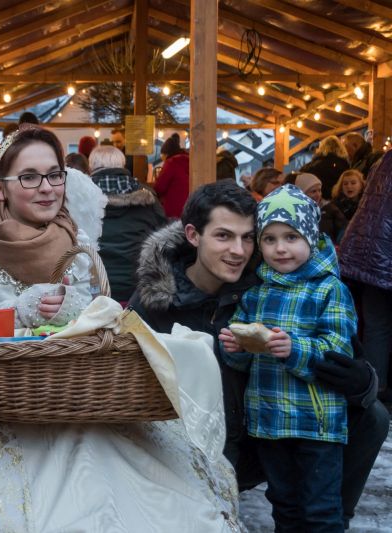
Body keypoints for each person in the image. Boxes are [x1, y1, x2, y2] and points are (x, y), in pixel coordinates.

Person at [0, 125, 241, 532]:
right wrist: (15, 313)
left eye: (55, 174)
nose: (47, 188)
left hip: (71, 394)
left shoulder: (76, 239)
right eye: (30, 177)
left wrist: (83, 314)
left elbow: (91, 322)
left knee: (167, 499)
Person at [129, 180, 389, 529]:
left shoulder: (269, 285)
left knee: (373, 418)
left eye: (248, 237)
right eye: (224, 236)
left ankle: (330, 518)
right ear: (193, 235)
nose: (239, 250)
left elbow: (347, 354)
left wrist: (362, 382)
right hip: (192, 446)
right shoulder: (155, 304)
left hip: (264, 435)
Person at [218, 184, 356, 531]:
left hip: (317, 425)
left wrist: (295, 349)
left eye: (291, 237)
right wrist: (234, 348)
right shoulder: (256, 293)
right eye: (270, 239)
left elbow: (339, 350)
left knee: (320, 511)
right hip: (270, 423)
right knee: (284, 508)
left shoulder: (330, 289)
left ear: (310, 236)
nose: (280, 248)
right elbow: (243, 362)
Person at [339, 151, 392, 406]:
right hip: (383, 252)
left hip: (371, 255)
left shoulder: (383, 161)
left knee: (377, 326)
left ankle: (373, 390)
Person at [88, 145, 166, 303]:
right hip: (136, 289)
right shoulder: (147, 197)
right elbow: (164, 237)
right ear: (122, 165)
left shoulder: (78, 197)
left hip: (91, 289)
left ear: (91, 167)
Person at [294, 172, 348, 244]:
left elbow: (343, 229)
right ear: (303, 194)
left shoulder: (329, 209)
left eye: (319, 190)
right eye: (313, 191)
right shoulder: (295, 212)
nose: (318, 194)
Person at [300, 135, 350, 200]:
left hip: (313, 199)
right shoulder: (344, 164)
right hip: (335, 200)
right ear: (341, 147)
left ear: (322, 147)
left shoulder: (312, 164)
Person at [153, 132, 189, 218]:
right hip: (189, 208)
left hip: (174, 209)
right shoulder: (189, 160)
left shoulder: (171, 163)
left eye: (163, 156)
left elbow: (159, 187)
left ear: (166, 154)